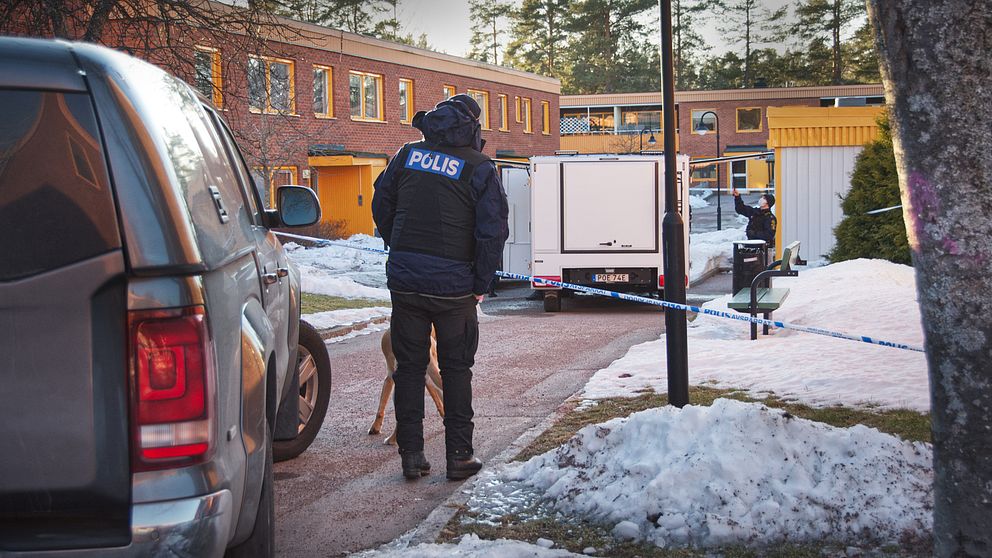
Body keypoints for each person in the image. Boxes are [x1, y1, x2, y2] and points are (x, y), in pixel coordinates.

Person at [371, 94, 509, 481]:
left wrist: (396, 242)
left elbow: (382, 202)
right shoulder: (480, 167)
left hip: (407, 282)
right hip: (454, 287)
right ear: (473, 127)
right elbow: (493, 231)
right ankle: (459, 456)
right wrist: (481, 282)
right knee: (457, 369)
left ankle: (411, 456)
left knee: (409, 370)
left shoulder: (407, 154)